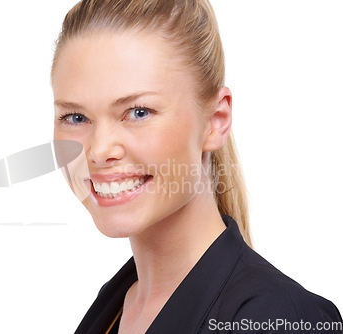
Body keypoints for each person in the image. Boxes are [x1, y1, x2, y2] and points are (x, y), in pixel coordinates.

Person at [50, 0, 343, 333]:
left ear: (215, 121)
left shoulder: (280, 318)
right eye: (75, 117)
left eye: (139, 112)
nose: (99, 150)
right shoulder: (114, 305)